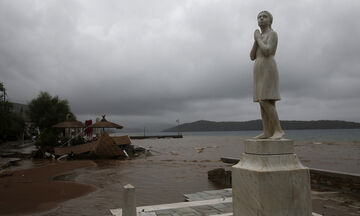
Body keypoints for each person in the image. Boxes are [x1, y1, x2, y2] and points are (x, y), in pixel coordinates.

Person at [250, 11, 284, 139]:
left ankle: (278, 130)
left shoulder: (273, 34)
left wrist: (258, 38)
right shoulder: (259, 37)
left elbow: (268, 51)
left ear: (270, 21)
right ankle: (268, 131)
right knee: (261, 101)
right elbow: (252, 56)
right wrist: (255, 40)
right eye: (259, 17)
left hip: (268, 67)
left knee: (265, 99)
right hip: (258, 68)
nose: (261, 18)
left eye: (264, 16)